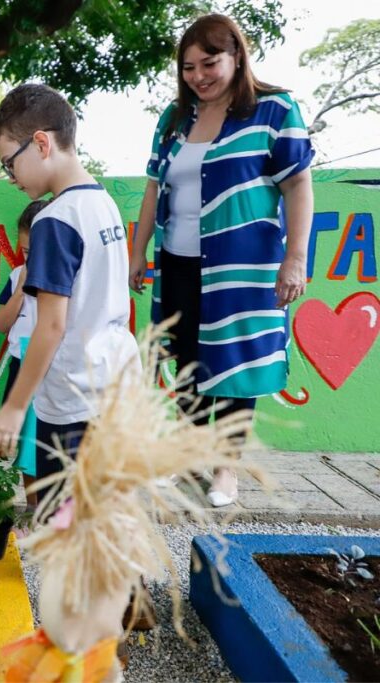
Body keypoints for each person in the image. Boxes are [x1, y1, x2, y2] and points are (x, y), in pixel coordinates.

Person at [128, 14, 315, 507]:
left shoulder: (274, 110)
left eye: (209, 62)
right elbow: (154, 188)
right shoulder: (174, 119)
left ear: (236, 56)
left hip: (242, 267)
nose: (198, 75)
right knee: (186, 361)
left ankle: (225, 471)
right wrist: (138, 251)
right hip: (179, 263)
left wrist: (295, 258)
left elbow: (298, 185)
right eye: (188, 66)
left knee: (236, 362)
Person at [0, 82, 139, 497]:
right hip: (112, 386)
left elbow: (51, 326)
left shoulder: (54, 220)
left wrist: (14, 408)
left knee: (61, 520)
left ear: (40, 143)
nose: (11, 178)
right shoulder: (102, 203)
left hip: (73, 401)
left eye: (9, 163)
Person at [0, 198, 49, 512]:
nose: (30, 257)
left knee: (46, 439)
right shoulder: (17, 276)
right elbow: (2, 324)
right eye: (26, 251)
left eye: (37, 251)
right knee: (25, 441)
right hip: (21, 365)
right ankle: (32, 507)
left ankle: (52, 508)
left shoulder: (67, 275)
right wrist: (20, 291)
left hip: (52, 368)